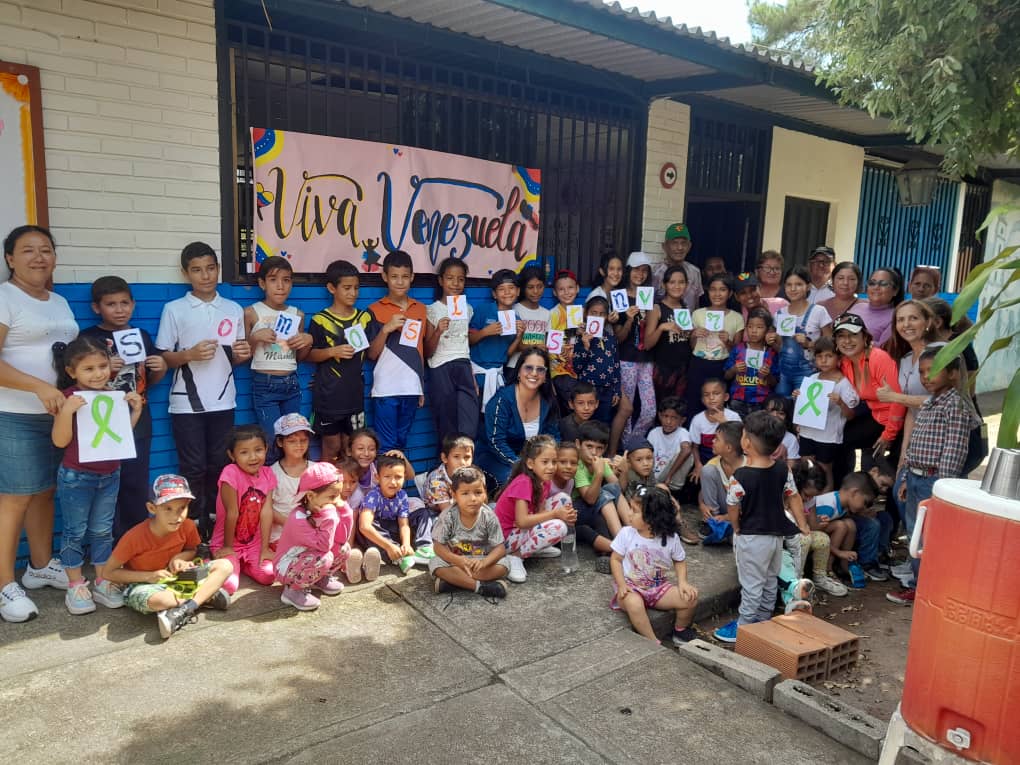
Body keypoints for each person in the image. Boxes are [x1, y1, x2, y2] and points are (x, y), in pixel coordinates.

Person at [0, 225, 79, 623]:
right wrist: (36, 388)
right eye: (27, 250)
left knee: (45, 492)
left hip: (57, 415)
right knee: (14, 497)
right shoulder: (4, 297)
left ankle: (40, 566)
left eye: (45, 250)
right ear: (10, 258)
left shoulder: (59, 302)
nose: (38, 257)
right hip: (14, 414)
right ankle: (3, 585)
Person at [157, 242, 252, 538]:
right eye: (197, 270)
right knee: (193, 467)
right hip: (186, 404)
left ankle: (216, 526)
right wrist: (188, 355)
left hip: (223, 400)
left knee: (219, 465)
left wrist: (244, 352)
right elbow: (162, 358)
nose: (205, 275)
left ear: (218, 269)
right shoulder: (175, 309)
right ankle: (192, 528)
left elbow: (235, 357)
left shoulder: (233, 308)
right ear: (186, 273)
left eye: (211, 268)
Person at [51, 336, 144, 614]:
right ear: (72, 372)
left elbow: (120, 436)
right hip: (76, 477)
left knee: (103, 531)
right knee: (74, 532)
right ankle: (76, 584)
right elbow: (59, 441)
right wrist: (67, 411)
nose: (98, 374)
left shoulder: (113, 395)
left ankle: (103, 580)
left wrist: (135, 411)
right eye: (88, 369)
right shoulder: (70, 398)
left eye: (102, 366)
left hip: (110, 474)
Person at [887, 350, 981, 606]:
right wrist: (906, 476)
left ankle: (928, 589)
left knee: (931, 537)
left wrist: (942, 486)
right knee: (916, 535)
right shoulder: (931, 401)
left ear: (952, 374)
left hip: (934, 482)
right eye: (921, 371)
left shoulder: (956, 405)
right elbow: (916, 443)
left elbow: (954, 449)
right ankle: (919, 585)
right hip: (916, 478)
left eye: (933, 370)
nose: (926, 376)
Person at [81, 276, 168, 539]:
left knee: (135, 482)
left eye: (124, 303)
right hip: (101, 421)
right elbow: (77, 381)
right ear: (97, 308)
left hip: (139, 418)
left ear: (133, 304)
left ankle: (136, 541)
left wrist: (161, 369)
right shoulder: (89, 338)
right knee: (106, 485)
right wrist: (107, 371)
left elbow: (148, 381)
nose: (119, 310)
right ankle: (107, 544)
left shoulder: (140, 335)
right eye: (111, 304)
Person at [713, 411, 809, 643]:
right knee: (769, 579)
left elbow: (732, 505)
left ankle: (744, 627)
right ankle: (764, 621)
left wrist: (735, 526)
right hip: (776, 536)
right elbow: (794, 496)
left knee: (752, 584)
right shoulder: (781, 469)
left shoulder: (741, 476)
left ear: (746, 443)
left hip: (752, 537)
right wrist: (803, 525)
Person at [102, 474, 232, 640]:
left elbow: (193, 550)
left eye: (181, 509)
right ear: (152, 508)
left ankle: (185, 609)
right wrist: (148, 576)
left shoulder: (188, 526)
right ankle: (206, 596)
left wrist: (180, 558)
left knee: (225, 566)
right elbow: (108, 573)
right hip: (144, 585)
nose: (176, 516)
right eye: (167, 509)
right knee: (160, 600)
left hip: (178, 579)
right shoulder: (133, 537)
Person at [610, 486, 699, 645]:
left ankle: (680, 631)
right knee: (634, 603)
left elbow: (679, 560)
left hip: (659, 588)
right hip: (631, 587)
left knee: (690, 598)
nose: (629, 513)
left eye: (634, 510)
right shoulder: (626, 534)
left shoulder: (670, 539)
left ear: (652, 518)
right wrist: (622, 585)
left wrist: (683, 582)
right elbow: (615, 559)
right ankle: (652, 641)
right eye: (630, 508)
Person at [244, 255, 312, 461]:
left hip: (291, 383)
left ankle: (292, 487)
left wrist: (307, 341)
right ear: (262, 283)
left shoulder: (297, 314)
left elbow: (300, 357)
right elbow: (241, 354)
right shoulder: (251, 312)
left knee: (294, 438)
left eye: (286, 280)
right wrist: (255, 338)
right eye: (273, 280)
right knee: (273, 441)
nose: (280, 286)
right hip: (265, 385)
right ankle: (273, 490)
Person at [832, 313, 905, 489]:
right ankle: (843, 492)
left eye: (853, 335)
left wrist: (889, 434)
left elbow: (898, 400)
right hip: (877, 416)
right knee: (839, 440)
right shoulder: (845, 362)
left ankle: (893, 513)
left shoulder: (878, 358)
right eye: (841, 336)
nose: (847, 341)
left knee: (895, 470)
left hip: (898, 420)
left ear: (865, 337)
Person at [366, 250, 427, 453]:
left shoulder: (421, 309)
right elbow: (372, 354)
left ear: (412, 277)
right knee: (385, 447)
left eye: (404, 276)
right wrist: (386, 329)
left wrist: (420, 386)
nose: (399, 282)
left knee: (401, 445)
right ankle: (382, 485)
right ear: (384, 277)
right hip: (386, 389)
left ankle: (395, 485)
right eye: (394, 276)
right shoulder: (374, 309)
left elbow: (421, 351)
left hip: (411, 388)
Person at [492, 434, 574, 583]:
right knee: (559, 527)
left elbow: (539, 512)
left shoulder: (544, 480)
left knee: (564, 499)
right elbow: (522, 521)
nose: (551, 467)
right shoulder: (524, 482)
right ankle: (515, 556)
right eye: (545, 462)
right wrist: (556, 514)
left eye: (554, 462)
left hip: (519, 530)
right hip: (504, 539)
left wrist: (564, 514)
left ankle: (534, 547)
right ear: (530, 463)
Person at [274, 462, 354, 611]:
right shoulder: (298, 519)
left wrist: (345, 512)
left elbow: (341, 539)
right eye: (332, 496)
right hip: (286, 567)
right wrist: (331, 517)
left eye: (338, 495)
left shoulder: (323, 510)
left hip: (310, 559)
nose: (336, 501)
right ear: (310, 496)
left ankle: (320, 578)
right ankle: (292, 591)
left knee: (344, 548)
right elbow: (324, 546)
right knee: (325, 557)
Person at [474, 348, 560, 485]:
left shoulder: (548, 402)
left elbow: (553, 437)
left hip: (532, 461)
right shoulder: (501, 401)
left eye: (540, 370)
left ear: (545, 376)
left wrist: (550, 462)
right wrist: (522, 465)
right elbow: (497, 443)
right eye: (528, 368)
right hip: (496, 458)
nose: (534, 373)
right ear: (519, 372)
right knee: (518, 481)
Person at [211, 424, 277, 594]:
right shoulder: (230, 473)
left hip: (254, 544)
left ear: (266, 449)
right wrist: (227, 547)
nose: (253, 457)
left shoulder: (268, 473)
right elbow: (231, 513)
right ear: (232, 455)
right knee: (229, 586)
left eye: (258, 450)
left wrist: (264, 548)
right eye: (244, 452)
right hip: (227, 542)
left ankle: (245, 565)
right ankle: (217, 563)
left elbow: (266, 512)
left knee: (269, 576)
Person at [430, 466, 509, 599]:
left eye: (478, 492)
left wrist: (485, 562)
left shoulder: (489, 516)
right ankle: (480, 587)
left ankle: (457, 582)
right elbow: (438, 547)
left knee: (504, 565)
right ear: (454, 495)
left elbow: (500, 548)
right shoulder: (448, 516)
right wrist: (457, 560)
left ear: (485, 494)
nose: (472, 498)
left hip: (482, 562)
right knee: (435, 563)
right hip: (457, 562)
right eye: (465, 493)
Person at [425, 257, 479, 446]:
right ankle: (445, 468)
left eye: (461, 279)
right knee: (446, 424)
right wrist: (439, 330)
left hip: (463, 366)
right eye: (450, 278)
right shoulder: (432, 310)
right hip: (441, 367)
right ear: (441, 280)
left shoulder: (468, 309)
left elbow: (465, 344)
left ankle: (465, 469)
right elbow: (428, 351)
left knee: (469, 424)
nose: (455, 284)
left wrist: (471, 376)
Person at [796, 337, 860, 491]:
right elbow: (804, 408)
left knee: (825, 469)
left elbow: (851, 415)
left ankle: (826, 503)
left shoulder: (843, 383)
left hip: (827, 435)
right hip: (808, 432)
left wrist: (840, 403)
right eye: (819, 356)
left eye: (829, 356)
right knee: (806, 465)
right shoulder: (812, 379)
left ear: (839, 358)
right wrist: (798, 396)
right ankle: (808, 499)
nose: (823, 360)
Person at [609, 252, 657, 447]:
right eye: (636, 269)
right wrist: (629, 318)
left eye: (644, 270)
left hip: (646, 359)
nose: (640, 274)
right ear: (628, 271)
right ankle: (626, 450)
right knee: (626, 410)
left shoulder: (651, 297)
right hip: (626, 358)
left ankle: (633, 444)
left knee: (649, 410)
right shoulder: (619, 296)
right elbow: (618, 337)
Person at [357, 454, 434, 574]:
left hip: (394, 530)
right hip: (379, 538)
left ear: (404, 477)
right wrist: (389, 546)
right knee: (369, 523)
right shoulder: (373, 496)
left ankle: (424, 548)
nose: (393, 482)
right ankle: (398, 557)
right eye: (387, 476)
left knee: (423, 513)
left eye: (398, 477)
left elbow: (404, 524)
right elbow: (364, 527)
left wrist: (406, 544)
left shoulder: (402, 495)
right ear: (378, 477)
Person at [574, 420, 629, 570]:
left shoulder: (601, 463)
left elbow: (618, 489)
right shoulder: (577, 465)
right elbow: (590, 499)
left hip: (594, 510)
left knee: (609, 491)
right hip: (575, 510)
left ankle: (631, 534)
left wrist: (624, 471)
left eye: (599, 448)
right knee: (603, 495)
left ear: (604, 449)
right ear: (578, 444)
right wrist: (599, 472)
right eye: (589, 446)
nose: (593, 452)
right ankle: (622, 542)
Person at [687, 273, 744, 416]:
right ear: (708, 291)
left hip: (721, 366)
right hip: (698, 364)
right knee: (695, 401)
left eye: (722, 289)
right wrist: (694, 334)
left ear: (730, 293)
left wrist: (728, 342)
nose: (717, 294)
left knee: (718, 404)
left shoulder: (737, 318)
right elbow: (692, 346)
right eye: (713, 289)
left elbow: (737, 351)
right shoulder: (698, 314)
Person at [790, 460, 847, 597]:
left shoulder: (810, 499)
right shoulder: (786, 495)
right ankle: (796, 582)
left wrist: (822, 523)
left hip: (802, 531)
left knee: (823, 539)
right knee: (804, 540)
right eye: (806, 495)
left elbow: (813, 525)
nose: (808, 499)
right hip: (785, 535)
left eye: (812, 496)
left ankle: (820, 578)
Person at [773, 266, 832, 396]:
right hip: (784, 374)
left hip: (808, 373)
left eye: (798, 284)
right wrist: (772, 341)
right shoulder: (779, 314)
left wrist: (809, 344)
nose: (793, 289)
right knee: (781, 407)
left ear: (808, 286)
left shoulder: (819, 311)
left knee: (802, 409)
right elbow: (780, 348)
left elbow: (831, 344)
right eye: (789, 285)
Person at [811, 472, 879, 584]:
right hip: (812, 531)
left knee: (850, 523)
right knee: (841, 526)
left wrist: (863, 513)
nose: (864, 507)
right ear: (854, 493)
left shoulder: (842, 503)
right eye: (865, 502)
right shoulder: (829, 507)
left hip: (823, 531)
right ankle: (827, 569)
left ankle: (844, 565)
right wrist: (838, 552)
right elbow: (816, 532)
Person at [469, 269, 524, 401]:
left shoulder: (516, 318)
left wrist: (519, 336)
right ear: (494, 294)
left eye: (511, 288)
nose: (507, 293)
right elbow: (468, 341)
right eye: (501, 289)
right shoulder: (483, 310)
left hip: (498, 375)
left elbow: (506, 355)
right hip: (476, 374)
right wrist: (485, 332)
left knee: (493, 417)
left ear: (518, 292)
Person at [644, 264, 693, 406]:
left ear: (686, 285)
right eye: (672, 282)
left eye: (681, 282)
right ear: (664, 285)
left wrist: (692, 334)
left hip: (682, 369)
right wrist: (662, 327)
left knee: (678, 408)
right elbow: (647, 344)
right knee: (662, 408)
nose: (677, 286)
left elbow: (686, 341)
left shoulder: (685, 309)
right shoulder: (657, 308)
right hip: (663, 369)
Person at [571, 298, 620, 427]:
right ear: (586, 314)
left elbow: (616, 366)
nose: (598, 317)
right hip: (587, 391)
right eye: (593, 313)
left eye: (602, 314)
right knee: (585, 425)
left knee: (603, 425)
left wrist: (617, 391)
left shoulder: (611, 338)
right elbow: (577, 367)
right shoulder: (581, 338)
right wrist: (585, 346)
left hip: (607, 391)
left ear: (607, 317)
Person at [268, 413, 313, 547]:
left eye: (303, 440)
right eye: (292, 441)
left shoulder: (316, 470)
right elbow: (267, 508)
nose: (299, 445)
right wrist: (291, 524)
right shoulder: (271, 473)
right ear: (280, 442)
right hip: (280, 535)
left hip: (311, 532)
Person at [724, 307, 777, 417]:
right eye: (750, 326)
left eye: (759, 327)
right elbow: (726, 376)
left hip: (761, 401)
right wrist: (734, 369)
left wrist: (767, 375)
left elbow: (775, 382)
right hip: (738, 400)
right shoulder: (738, 349)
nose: (754, 331)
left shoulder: (771, 353)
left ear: (768, 330)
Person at [697, 420, 743, 543]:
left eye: (716, 439)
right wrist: (702, 505)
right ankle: (713, 524)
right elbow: (704, 491)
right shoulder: (713, 464)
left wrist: (727, 517)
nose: (712, 441)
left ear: (728, 447)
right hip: (724, 507)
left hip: (743, 511)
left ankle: (729, 524)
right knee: (707, 471)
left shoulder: (749, 467)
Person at [689, 378, 742, 480]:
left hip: (730, 460)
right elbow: (694, 447)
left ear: (726, 397)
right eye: (706, 395)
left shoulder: (733, 417)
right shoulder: (698, 420)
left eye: (716, 393)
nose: (711, 398)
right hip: (706, 461)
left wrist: (724, 422)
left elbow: (739, 442)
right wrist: (698, 465)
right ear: (702, 400)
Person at [547, 268, 580, 411]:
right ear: (555, 292)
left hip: (579, 369)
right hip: (560, 370)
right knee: (571, 408)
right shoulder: (553, 314)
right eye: (561, 289)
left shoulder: (581, 313)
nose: (566, 292)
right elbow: (551, 346)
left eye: (570, 287)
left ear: (577, 288)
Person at [647, 397, 694, 494]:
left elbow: (686, 451)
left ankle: (671, 489)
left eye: (674, 418)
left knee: (689, 454)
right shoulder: (654, 433)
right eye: (665, 416)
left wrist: (669, 476)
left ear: (682, 420)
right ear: (660, 416)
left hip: (670, 479)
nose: (668, 421)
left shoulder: (683, 433)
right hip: (652, 476)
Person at [510, 265, 550, 374]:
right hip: (516, 365)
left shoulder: (547, 313)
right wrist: (535, 346)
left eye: (540, 286)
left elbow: (548, 344)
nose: (536, 291)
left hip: (538, 367)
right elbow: (511, 345)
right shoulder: (515, 310)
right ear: (523, 288)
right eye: (530, 287)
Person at [652, 222, 703, 309]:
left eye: (683, 243)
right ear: (664, 246)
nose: (679, 247)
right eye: (674, 243)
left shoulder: (695, 272)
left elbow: (697, 304)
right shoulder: (655, 272)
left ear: (689, 246)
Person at [423, 433, 475, 514]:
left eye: (467, 457)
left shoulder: (472, 474)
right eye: (456, 457)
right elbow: (447, 512)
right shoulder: (437, 480)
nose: (462, 463)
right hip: (437, 514)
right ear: (444, 458)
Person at [851, 268, 904, 345]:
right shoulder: (857, 307)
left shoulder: (896, 317)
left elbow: (882, 348)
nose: (876, 287)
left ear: (895, 290)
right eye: (872, 283)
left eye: (883, 284)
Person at [763, 394, 800, 467]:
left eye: (781, 413)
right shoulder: (755, 434)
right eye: (771, 411)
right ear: (764, 412)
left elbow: (791, 469)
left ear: (786, 418)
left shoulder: (791, 439)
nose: (775, 415)